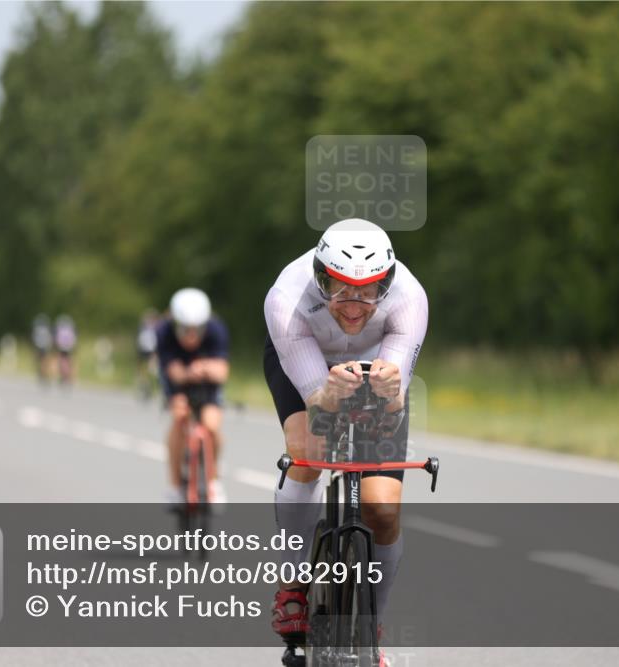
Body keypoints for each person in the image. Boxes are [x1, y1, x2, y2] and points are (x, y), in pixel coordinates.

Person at [263, 218, 427, 657]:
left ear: (386, 284)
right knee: (308, 451)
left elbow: (392, 401)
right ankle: (294, 585)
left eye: (369, 290)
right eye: (338, 289)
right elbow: (318, 402)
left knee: (382, 508)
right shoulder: (286, 299)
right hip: (304, 357)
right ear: (320, 277)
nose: (353, 305)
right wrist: (329, 394)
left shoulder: (410, 298)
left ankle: (373, 625)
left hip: (376, 365)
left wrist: (390, 393)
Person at [157, 288, 230, 505]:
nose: (190, 336)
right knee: (179, 418)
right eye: (185, 330)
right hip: (178, 384)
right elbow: (174, 372)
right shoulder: (164, 332)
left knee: (212, 425)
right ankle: (175, 486)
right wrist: (189, 373)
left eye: (196, 330)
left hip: (208, 386)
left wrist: (205, 368)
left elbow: (222, 372)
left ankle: (212, 480)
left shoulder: (217, 329)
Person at [136, 309, 160, 400]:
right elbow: (139, 341)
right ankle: (145, 386)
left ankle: (153, 387)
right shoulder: (142, 328)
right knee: (143, 371)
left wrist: (156, 353)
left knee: (153, 370)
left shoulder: (156, 329)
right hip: (142, 352)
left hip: (152, 352)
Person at [54, 314, 77, 385]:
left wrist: (56, 346)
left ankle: (64, 376)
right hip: (69, 347)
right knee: (68, 361)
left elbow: (57, 339)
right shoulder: (70, 329)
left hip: (62, 348)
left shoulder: (60, 330)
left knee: (61, 361)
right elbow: (73, 339)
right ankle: (68, 376)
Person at [31, 314, 53, 383]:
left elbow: (33, 338)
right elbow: (50, 338)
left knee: (39, 361)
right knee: (44, 361)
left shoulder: (37, 328)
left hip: (38, 346)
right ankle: (45, 374)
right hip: (45, 346)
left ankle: (42, 374)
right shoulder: (47, 329)